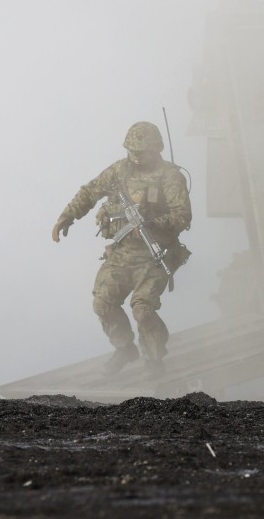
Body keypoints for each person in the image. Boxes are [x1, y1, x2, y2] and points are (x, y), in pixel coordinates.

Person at [52, 121, 192, 378]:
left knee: (143, 310)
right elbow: (90, 192)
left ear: (155, 148)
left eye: (141, 151)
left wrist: (152, 224)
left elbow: (182, 215)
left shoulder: (169, 176)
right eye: (131, 150)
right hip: (123, 251)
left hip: (155, 254)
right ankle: (125, 349)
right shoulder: (120, 171)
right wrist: (67, 216)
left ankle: (154, 359)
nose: (135, 156)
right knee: (102, 303)